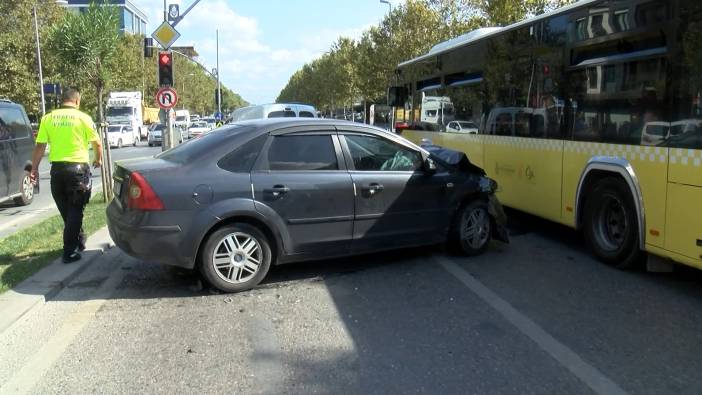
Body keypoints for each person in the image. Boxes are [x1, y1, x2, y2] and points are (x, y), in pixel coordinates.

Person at [30, 87, 102, 263]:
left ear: (62, 100)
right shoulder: (84, 118)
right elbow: (97, 143)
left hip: (57, 171)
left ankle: (79, 239)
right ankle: (69, 252)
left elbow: (40, 146)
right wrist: (98, 160)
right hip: (77, 171)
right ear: (77, 101)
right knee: (75, 210)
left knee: (67, 210)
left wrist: (34, 169)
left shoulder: (48, 118)